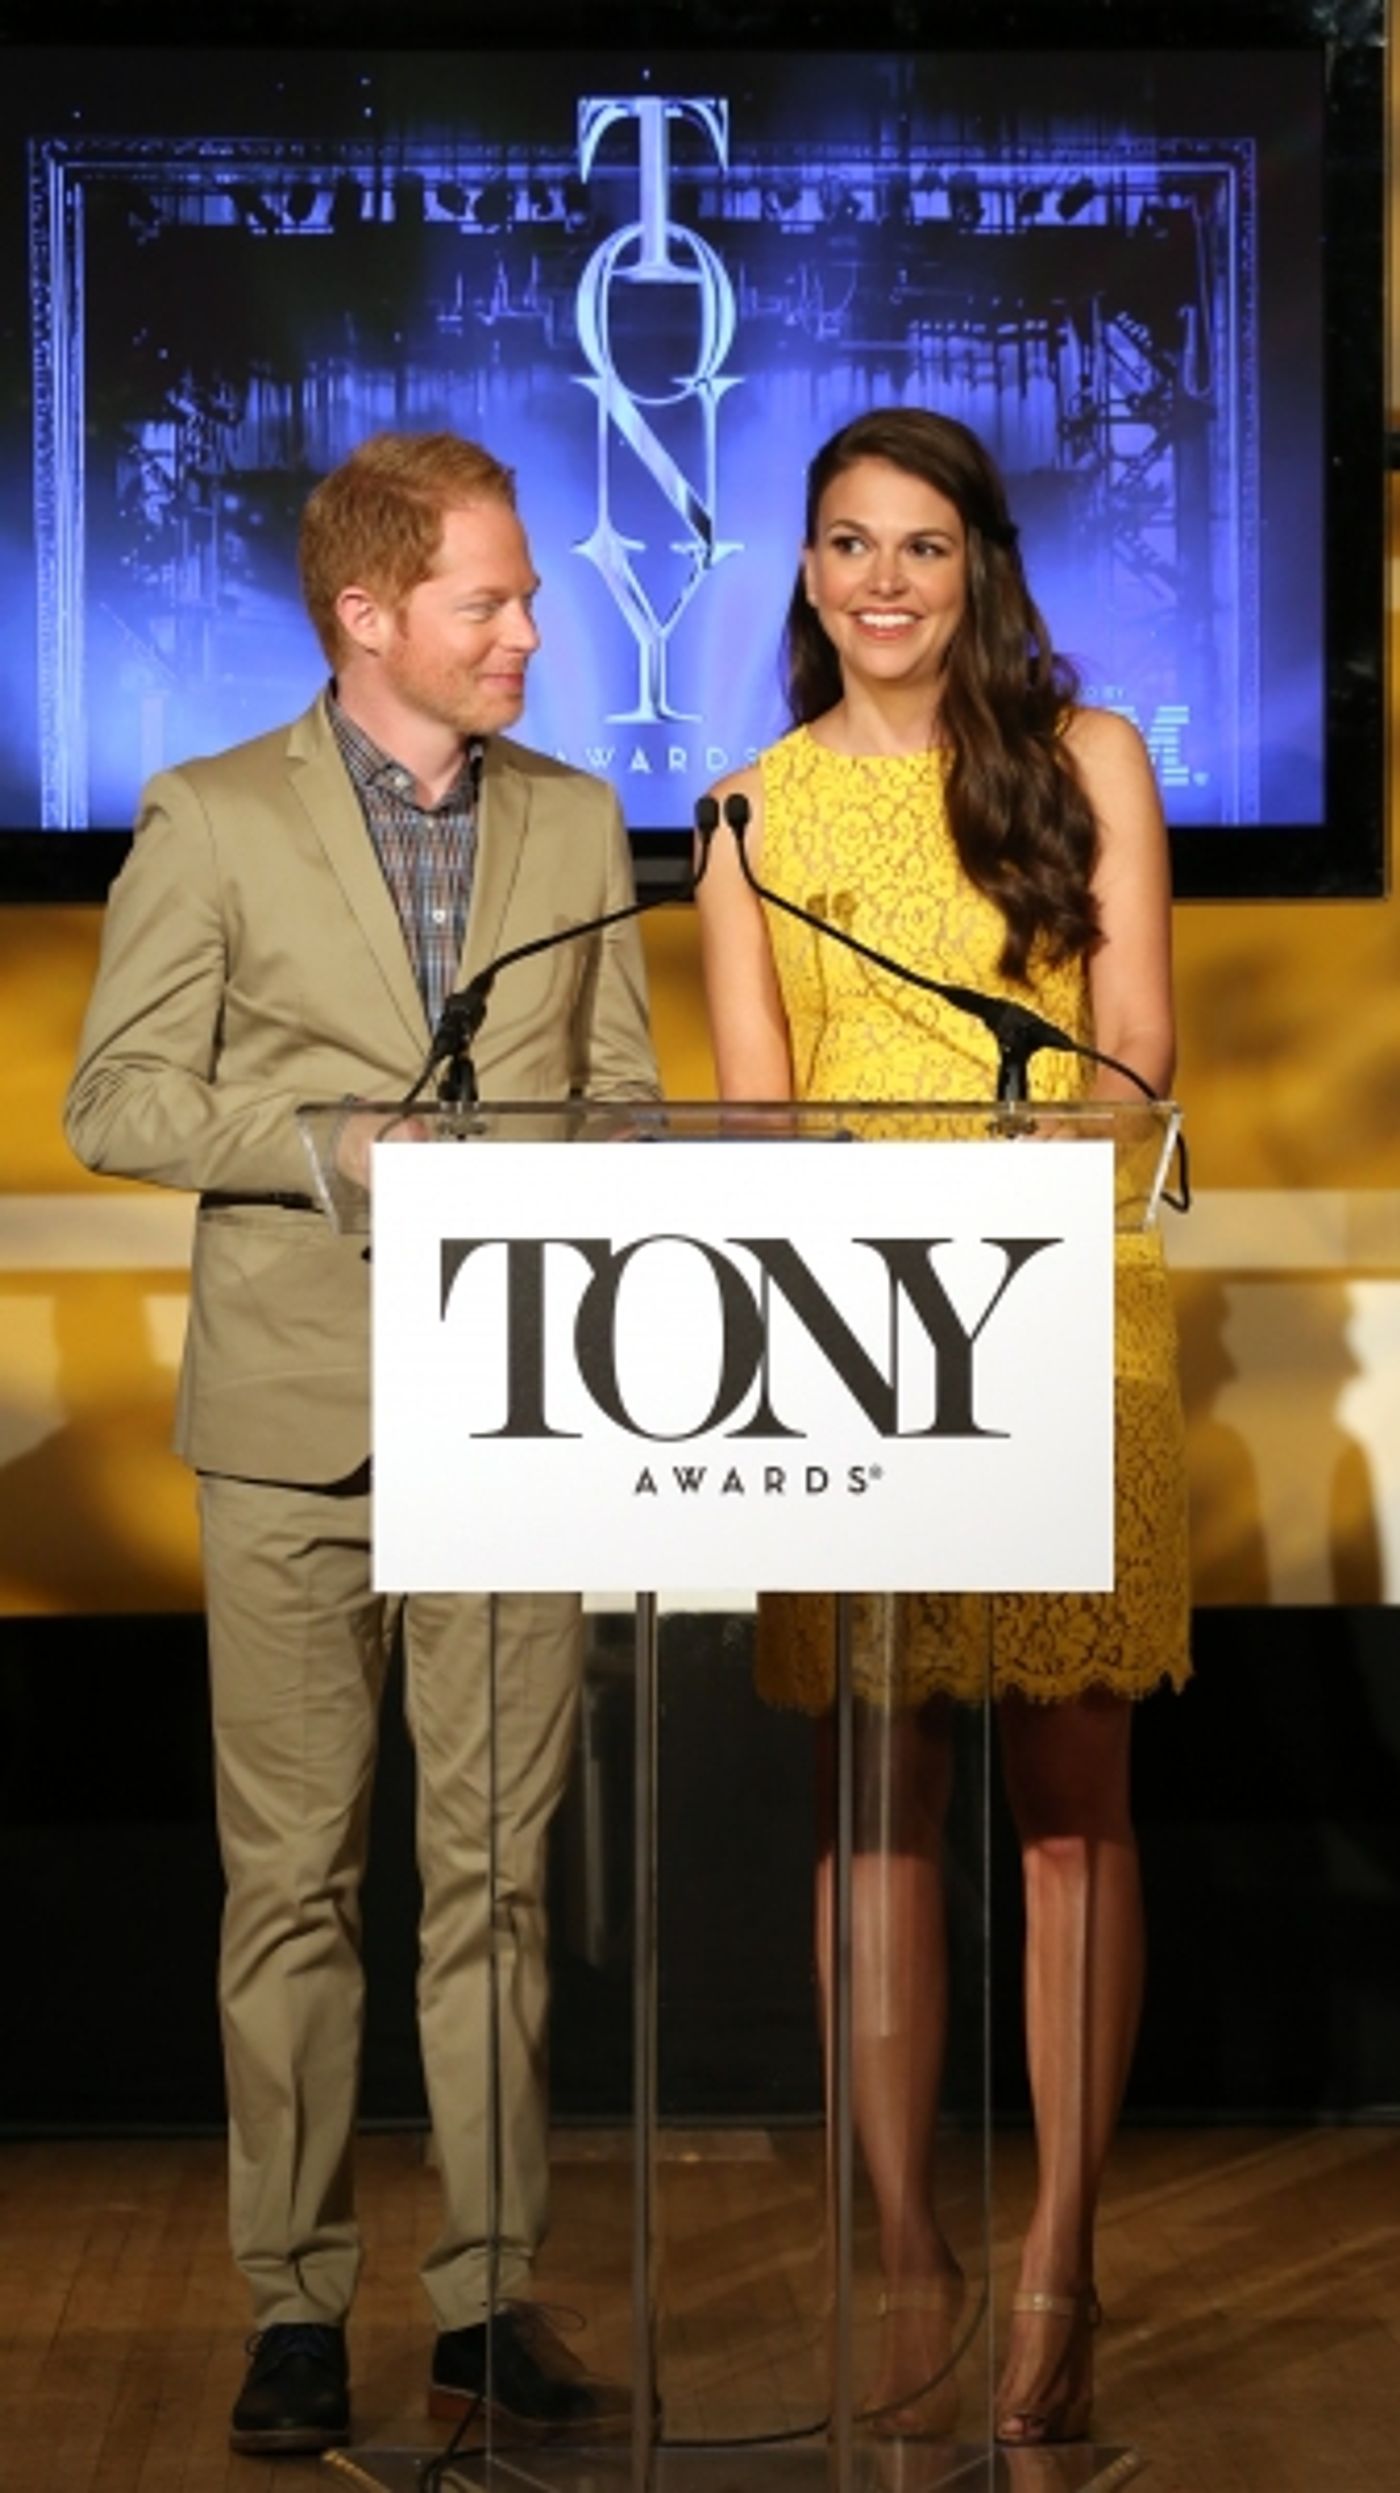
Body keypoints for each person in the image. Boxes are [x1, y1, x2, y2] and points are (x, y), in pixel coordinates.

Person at [64, 432, 659, 2455]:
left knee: (494, 1881)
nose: (528, 627)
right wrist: (332, 1149)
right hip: (296, 1423)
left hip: (526, 1408)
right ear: (369, 613)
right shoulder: (211, 814)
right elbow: (119, 1097)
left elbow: (625, 1100)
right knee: (293, 1882)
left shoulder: (581, 822)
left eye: (522, 596)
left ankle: (488, 2300)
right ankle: (294, 2306)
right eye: (492, 597)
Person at [696, 407, 1189, 2447]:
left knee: (1069, 1803)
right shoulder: (744, 809)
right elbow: (751, 1107)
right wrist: (866, 1254)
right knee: (873, 1807)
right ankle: (902, 2252)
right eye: (842, 545)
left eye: (917, 544)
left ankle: (1060, 2253)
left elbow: (1135, 1058)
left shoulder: (1088, 763)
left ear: (974, 563)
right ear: (803, 573)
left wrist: (990, 1211)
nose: (879, 580)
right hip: (848, 1334)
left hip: (1064, 1310)